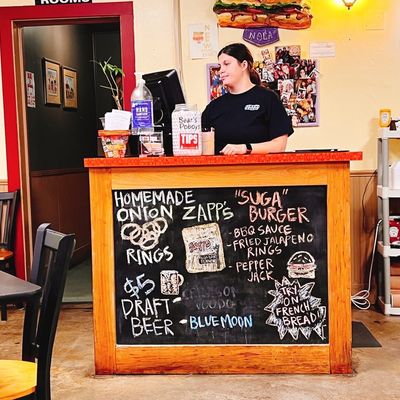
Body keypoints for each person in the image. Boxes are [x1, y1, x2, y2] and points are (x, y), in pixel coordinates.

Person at [202, 43, 293, 155]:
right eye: (220, 66)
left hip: (259, 166)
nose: (221, 70)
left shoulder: (268, 98)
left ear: (243, 65)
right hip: (221, 167)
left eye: (226, 64)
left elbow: (279, 146)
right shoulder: (214, 107)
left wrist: (245, 148)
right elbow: (201, 146)